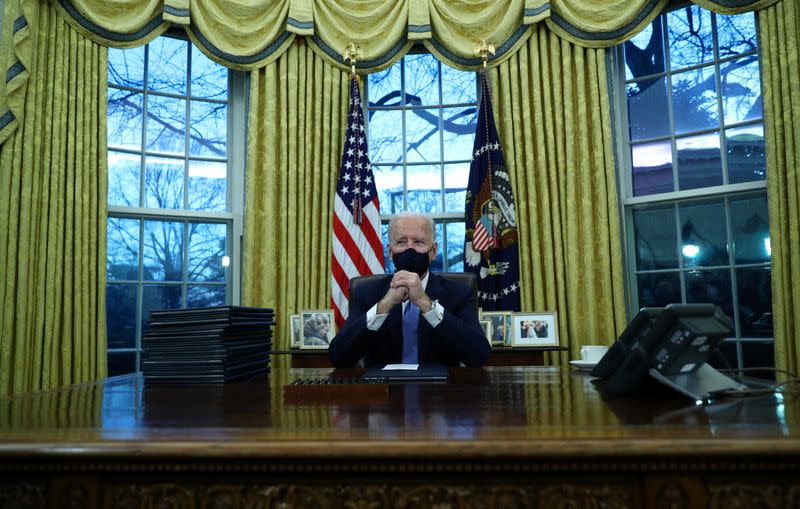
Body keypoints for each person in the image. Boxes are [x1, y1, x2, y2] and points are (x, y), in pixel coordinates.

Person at [328, 212, 490, 368]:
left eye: (418, 242)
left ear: (433, 251)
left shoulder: (459, 293)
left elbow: (479, 356)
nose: (409, 249)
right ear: (390, 252)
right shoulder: (366, 293)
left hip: (440, 392)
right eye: (401, 242)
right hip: (383, 391)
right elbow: (339, 357)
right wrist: (384, 305)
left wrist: (425, 303)